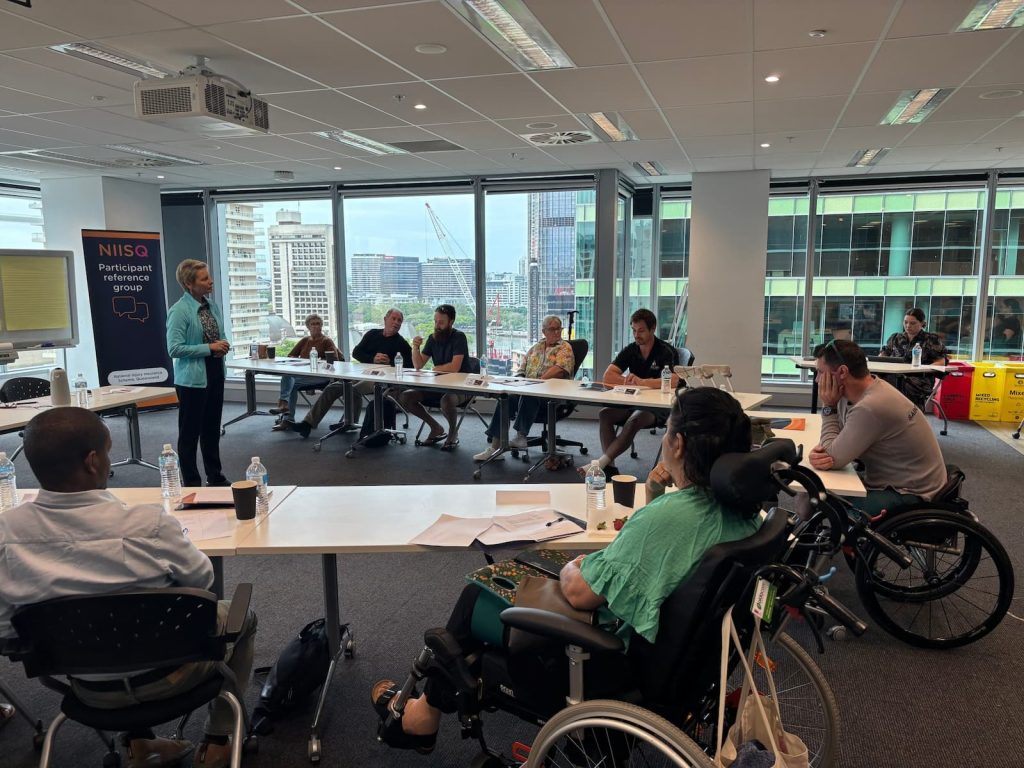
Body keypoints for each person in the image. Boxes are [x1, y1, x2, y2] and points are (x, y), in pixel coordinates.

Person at [371, 387, 759, 753]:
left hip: (604, 652)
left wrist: (574, 565)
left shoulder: (671, 519)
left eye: (668, 431)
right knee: (520, 581)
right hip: (684, 667)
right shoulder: (745, 517)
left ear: (678, 444)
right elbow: (667, 552)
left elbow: (580, 593)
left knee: (480, 594)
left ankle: (422, 715)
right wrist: (657, 497)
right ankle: (430, 704)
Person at [0, 408, 256, 768]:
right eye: (108, 452)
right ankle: (219, 741)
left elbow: (6, 630)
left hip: (88, 688)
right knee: (243, 617)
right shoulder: (147, 524)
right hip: (170, 675)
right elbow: (202, 581)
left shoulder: (5, 534)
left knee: (109, 633)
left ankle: (142, 744)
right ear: (92, 461)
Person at [811, 339, 947, 515]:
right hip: (906, 480)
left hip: (911, 492)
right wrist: (827, 451)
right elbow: (837, 443)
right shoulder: (869, 388)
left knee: (824, 500)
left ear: (842, 372)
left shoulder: (870, 407)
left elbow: (832, 458)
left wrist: (828, 407)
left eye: (820, 372)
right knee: (817, 485)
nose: (817, 379)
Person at [289, 308, 412, 439]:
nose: (396, 322)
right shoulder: (372, 334)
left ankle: (350, 422)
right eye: (394, 319)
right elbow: (356, 353)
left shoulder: (402, 343)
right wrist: (372, 359)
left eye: (399, 320)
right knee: (332, 388)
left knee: (353, 390)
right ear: (385, 319)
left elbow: (410, 367)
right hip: (363, 373)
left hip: (383, 378)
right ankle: (308, 423)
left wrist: (391, 362)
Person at [587, 308, 679, 476]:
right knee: (605, 414)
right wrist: (628, 381)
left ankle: (602, 463)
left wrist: (642, 382)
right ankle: (610, 468)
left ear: (653, 329)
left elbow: (673, 380)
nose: (636, 335)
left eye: (641, 331)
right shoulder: (631, 349)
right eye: (634, 330)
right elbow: (608, 375)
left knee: (634, 420)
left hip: (657, 407)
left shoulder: (665, 351)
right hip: (632, 401)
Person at [473, 315, 575, 461]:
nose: (557, 332)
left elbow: (559, 369)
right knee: (506, 398)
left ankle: (521, 436)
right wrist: (518, 382)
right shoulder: (536, 348)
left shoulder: (565, 348)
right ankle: (496, 448)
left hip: (552, 395)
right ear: (544, 331)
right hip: (529, 389)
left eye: (559, 329)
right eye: (552, 329)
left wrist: (537, 382)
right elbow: (521, 369)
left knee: (530, 393)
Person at [166, 259, 230, 487]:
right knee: (190, 433)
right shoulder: (179, 311)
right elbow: (174, 349)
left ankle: (215, 476)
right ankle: (192, 482)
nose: (211, 281)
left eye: (209, 276)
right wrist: (209, 348)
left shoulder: (212, 306)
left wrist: (223, 345)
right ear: (189, 284)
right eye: (204, 279)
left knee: (211, 429)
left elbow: (219, 335)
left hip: (215, 371)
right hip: (191, 380)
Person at [399, 304, 473, 450]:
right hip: (439, 385)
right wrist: (415, 347)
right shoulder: (433, 338)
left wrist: (436, 368)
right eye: (435, 321)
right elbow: (418, 365)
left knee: (447, 400)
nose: (437, 326)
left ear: (451, 322)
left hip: (462, 387)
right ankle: (435, 427)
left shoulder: (459, 337)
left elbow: (454, 367)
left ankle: (453, 433)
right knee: (406, 397)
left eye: (441, 322)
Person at [269, 314, 341, 429]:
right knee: (288, 378)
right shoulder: (305, 340)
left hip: (322, 376)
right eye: (313, 324)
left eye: (318, 324)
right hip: (304, 374)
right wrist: (299, 362)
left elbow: (335, 361)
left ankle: (285, 412)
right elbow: (291, 355)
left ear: (321, 326)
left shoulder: (327, 341)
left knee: (291, 384)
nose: (315, 326)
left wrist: (319, 361)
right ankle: (286, 412)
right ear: (308, 327)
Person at [878, 307, 947, 408]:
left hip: (920, 379)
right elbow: (883, 355)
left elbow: (941, 362)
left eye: (912, 323)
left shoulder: (931, 340)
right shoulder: (895, 338)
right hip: (894, 376)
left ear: (922, 323)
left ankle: (910, 415)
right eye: (905, 322)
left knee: (902, 384)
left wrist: (923, 369)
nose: (908, 326)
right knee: (874, 381)